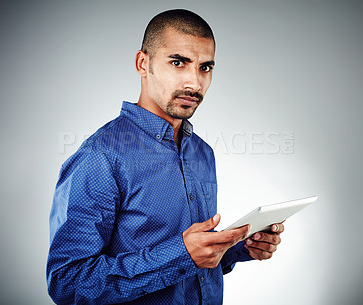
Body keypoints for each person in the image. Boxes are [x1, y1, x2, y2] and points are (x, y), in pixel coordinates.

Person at [47, 9, 284, 305]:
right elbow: (68, 282)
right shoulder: (100, 157)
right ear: (143, 64)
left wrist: (236, 248)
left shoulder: (202, 153)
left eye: (205, 68)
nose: (195, 84)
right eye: (178, 63)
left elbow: (193, 267)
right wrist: (180, 254)